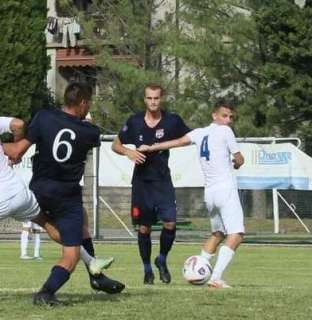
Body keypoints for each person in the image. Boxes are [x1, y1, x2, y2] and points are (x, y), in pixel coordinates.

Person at [3, 83, 124, 305]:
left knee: (81, 221)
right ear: (83, 103)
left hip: (38, 190)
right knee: (71, 254)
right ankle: (47, 292)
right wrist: (85, 122)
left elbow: (18, 149)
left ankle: (97, 275)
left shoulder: (44, 116)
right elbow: (87, 133)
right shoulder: (90, 132)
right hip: (66, 196)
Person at [138, 101, 245, 289]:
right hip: (225, 189)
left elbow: (176, 142)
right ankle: (216, 277)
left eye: (231, 117)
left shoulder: (199, 133)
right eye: (224, 116)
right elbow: (239, 158)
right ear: (214, 116)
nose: (228, 120)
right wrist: (237, 163)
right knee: (236, 234)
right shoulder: (226, 132)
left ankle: (196, 270)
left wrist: (151, 147)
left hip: (210, 192)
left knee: (218, 233)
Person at [111, 84, 190, 285]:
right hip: (141, 183)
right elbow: (115, 144)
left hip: (163, 181)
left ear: (161, 99)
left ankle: (161, 260)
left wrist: (158, 147)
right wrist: (129, 152)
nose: (153, 102)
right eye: (149, 98)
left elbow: (187, 139)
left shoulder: (172, 121)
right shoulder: (135, 121)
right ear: (144, 99)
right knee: (144, 228)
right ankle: (147, 270)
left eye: (156, 98)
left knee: (170, 223)